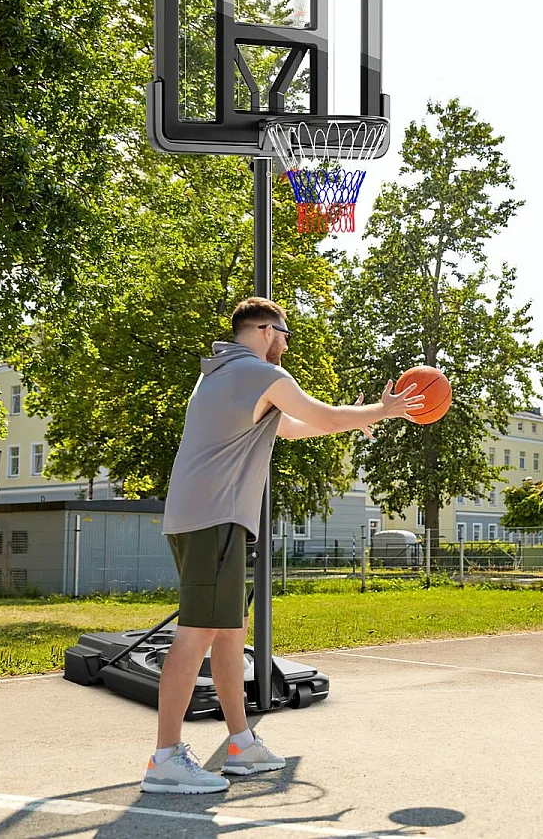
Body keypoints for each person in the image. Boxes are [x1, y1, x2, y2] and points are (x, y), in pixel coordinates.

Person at [142, 297, 424, 794]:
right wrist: (385, 409)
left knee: (229, 633)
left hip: (203, 517)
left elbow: (297, 426)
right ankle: (165, 758)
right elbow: (319, 413)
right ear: (267, 330)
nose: (288, 345)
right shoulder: (257, 372)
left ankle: (240, 743)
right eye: (286, 335)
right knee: (198, 633)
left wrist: (362, 418)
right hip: (215, 519)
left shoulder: (219, 373)